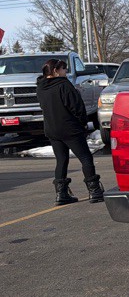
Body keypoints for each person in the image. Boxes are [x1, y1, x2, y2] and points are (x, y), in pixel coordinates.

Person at [36, 58, 104, 205]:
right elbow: (76, 106)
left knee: (61, 160)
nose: (65, 71)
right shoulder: (64, 85)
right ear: (55, 71)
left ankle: (61, 193)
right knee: (86, 158)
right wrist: (83, 122)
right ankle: (94, 190)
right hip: (70, 128)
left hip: (52, 129)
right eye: (63, 69)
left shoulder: (41, 87)